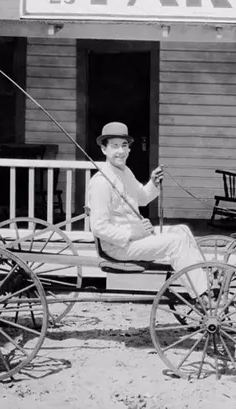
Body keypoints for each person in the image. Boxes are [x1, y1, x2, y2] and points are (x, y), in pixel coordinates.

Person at [86, 122, 209, 301]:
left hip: (137, 237)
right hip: (118, 247)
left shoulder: (125, 171)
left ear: (129, 149)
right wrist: (132, 233)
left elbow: (142, 198)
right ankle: (204, 295)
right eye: (114, 146)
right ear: (104, 150)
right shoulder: (101, 182)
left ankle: (203, 280)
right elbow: (98, 227)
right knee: (176, 243)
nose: (120, 151)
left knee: (181, 230)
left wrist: (153, 182)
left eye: (124, 145)